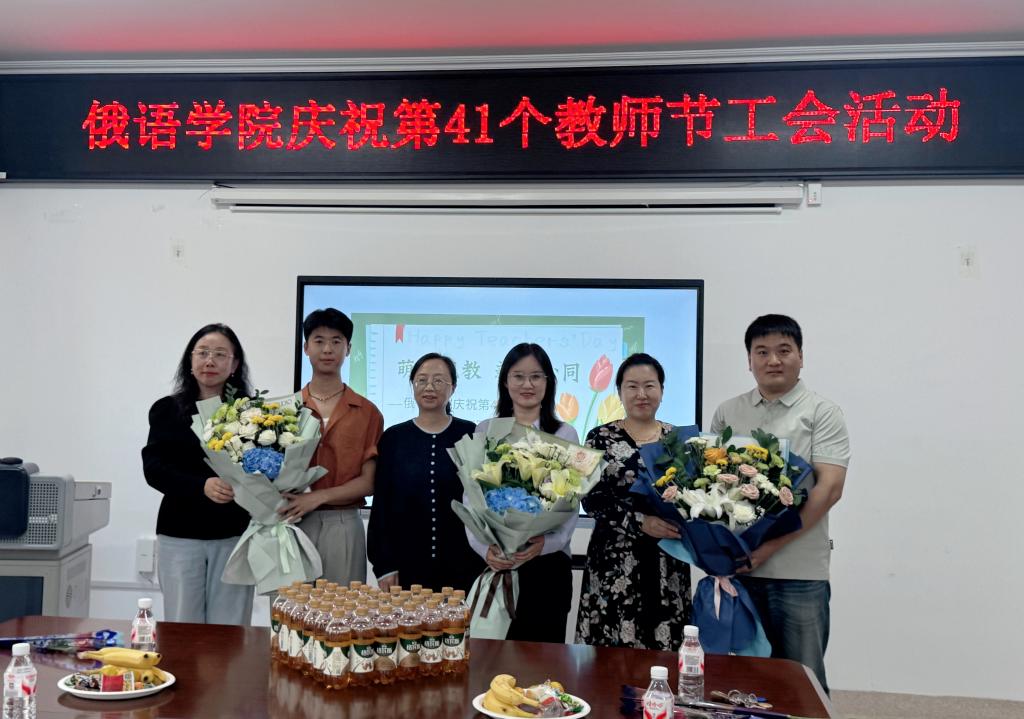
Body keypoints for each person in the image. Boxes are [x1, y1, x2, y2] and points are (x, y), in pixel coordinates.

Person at [711, 314, 850, 694]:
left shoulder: (822, 412)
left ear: (800, 356)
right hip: (741, 571)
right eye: (762, 352)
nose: (773, 360)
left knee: (801, 680)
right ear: (749, 360)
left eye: (784, 350)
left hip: (798, 573)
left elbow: (829, 489)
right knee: (742, 682)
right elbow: (713, 487)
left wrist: (769, 547)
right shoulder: (728, 412)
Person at [575, 353, 692, 650]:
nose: (642, 394)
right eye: (632, 386)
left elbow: (693, 496)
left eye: (650, 385)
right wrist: (640, 522)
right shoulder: (599, 438)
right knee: (609, 654)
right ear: (619, 392)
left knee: (664, 654)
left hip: (667, 559)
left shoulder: (678, 441)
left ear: (662, 390)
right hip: (614, 560)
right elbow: (591, 499)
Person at [142, 323, 255, 625]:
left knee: (231, 628)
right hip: (180, 533)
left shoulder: (251, 413)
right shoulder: (167, 410)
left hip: (234, 533)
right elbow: (154, 470)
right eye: (202, 353)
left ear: (234, 364)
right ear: (190, 360)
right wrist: (200, 486)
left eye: (220, 354)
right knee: (183, 625)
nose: (210, 361)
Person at [467, 342, 579, 643]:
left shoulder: (564, 433)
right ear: (505, 381)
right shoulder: (486, 430)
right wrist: (484, 549)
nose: (527, 384)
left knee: (544, 661)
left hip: (546, 567)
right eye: (518, 376)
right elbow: (471, 497)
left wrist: (545, 543)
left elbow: (570, 504)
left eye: (536, 376)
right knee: (493, 659)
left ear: (548, 382)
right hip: (496, 562)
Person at [278, 308, 384, 585]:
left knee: (341, 608)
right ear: (306, 348)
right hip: (291, 520)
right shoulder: (283, 410)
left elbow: (368, 482)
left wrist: (317, 497)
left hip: (343, 523)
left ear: (348, 349)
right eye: (319, 341)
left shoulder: (367, 412)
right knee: (291, 607)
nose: (327, 349)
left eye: (336, 341)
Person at [367, 353, 483, 592]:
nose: (429, 387)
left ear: (453, 387)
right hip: (406, 566)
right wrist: (384, 565)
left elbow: (482, 503)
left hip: (464, 564)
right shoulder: (394, 438)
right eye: (422, 380)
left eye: (439, 380)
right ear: (413, 385)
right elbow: (382, 507)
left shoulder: (470, 434)